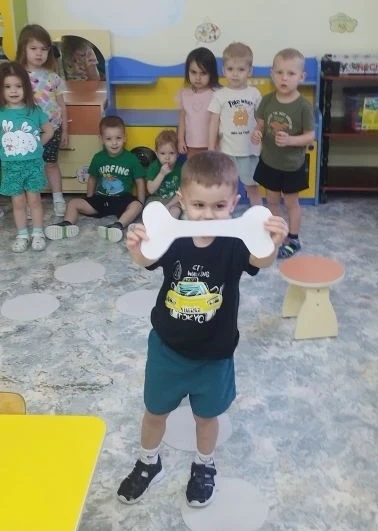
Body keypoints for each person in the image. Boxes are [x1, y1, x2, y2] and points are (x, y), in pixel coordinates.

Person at [117, 151, 288, 507]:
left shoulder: (234, 242)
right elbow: (148, 259)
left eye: (219, 206)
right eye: (198, 205)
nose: (208, 215)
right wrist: (137, 249)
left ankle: (204, 465)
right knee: (154, 412)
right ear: (182, 200)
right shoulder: (173, 237)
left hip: (214, 354)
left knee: (206, 418)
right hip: (167, 349)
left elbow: (259, 259)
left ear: (234, 204)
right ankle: (149, 462)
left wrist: (272, 244)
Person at [251, 48, 315, 259]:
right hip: (269, 162)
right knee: (271, 201)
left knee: (291, 203)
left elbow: (310, 136)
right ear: (272, 74)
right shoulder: (267, 100)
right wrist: (257, 134)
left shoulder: (304, 106)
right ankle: (276, 234)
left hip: (291, 166)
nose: (284, 78)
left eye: (290, 73)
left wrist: (290, 141)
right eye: (279, 72)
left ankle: (294, 238)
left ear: (301, 77)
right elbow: (260, 125)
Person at [44, 115, 145, 243]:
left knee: (136, 206)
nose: (114, 143)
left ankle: (117, 226)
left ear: (125, 138)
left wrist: (141, 203)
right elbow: (92, 178)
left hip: (122, 199)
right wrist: (90, 198)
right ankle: (67, 224)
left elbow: (139, 181)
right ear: (101, 139)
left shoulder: (131, 159)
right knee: (73, 203)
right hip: (101, 199)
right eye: (109, 139)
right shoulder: (98, 158)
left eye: (118, 138)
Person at [0, 61, 53, 252]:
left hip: (33, 165)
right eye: (7, 86)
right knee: (18, 202)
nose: (13, 91)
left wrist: (36, 145)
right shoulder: (1, 113)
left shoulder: (34, 111)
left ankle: (38, 232)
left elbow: (49, 130)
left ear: (26, 88)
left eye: (18, 86)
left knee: (34, 200)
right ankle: (22, 234)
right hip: (10, 167)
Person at [16, 24, 68, 217]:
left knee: (51, 164)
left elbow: (62, 105)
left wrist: (65, 131)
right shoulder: (18, 77)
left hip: (53, 129)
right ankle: (31, 202)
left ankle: (58, 197)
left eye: (44, 49)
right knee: (29, 167)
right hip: (27, 132)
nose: (39, 53)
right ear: (23, 49)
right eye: (34, 48)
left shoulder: (53, 77)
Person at [208, 42, 262, 207]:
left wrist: (260, 131)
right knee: (224, 188)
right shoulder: (219, 95)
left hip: (249, 151)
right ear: (223, 70)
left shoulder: (254, 94)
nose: (235, 74)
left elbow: (261, 119)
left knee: (252, 187)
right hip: (226, 152)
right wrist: (211, 147)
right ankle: (222, 216)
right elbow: (213, 123)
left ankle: (259, 216)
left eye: (241, 69)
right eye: (230, 69)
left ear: (249, 71)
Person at [177, 47, 219, 159]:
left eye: (203, 73)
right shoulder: (184, 94)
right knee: (193, 167)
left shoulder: (217, 94)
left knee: (211, 168)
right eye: (193, 72)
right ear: (188, 72)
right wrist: (180, 140)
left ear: (211, 73)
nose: (198, 78)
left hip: (211, 145)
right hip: (191, 145)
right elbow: (182, 119)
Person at [146, 129, 183, 218]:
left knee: (176, 211)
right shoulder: (154, 167)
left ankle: (170, 225)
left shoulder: (181, 168)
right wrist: (161, 174)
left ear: (178, 154)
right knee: (150, 212)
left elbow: (182, 192)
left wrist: (169, 205)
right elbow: (150, 190)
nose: (167, 157)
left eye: (171, 153)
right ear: (157, 154)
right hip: (155, 199)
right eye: (162, 153)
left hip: (173, 200)